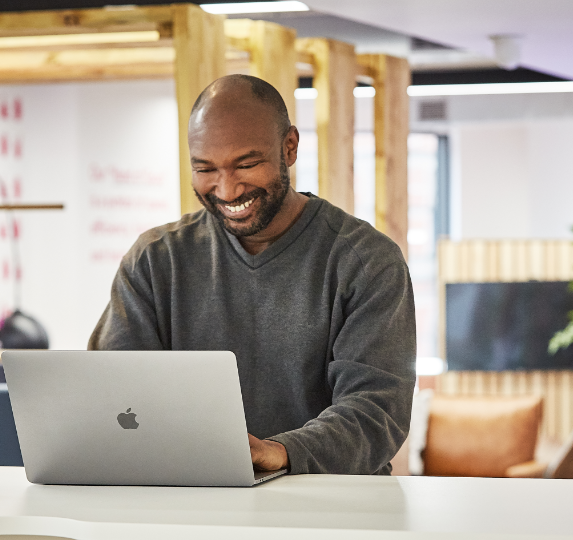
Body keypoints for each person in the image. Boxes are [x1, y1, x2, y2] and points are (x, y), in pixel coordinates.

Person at [88, 74, 415, 475]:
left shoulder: (365, 260)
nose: (226, 190)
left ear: (289, 147)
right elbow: (111, 392)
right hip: (190, 497)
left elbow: (377, 412)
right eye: (206, 168)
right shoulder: (156, 260)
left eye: (247, 164)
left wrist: (280, 451)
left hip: (333, 505)